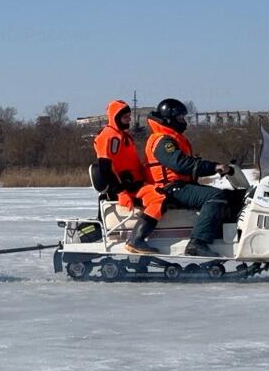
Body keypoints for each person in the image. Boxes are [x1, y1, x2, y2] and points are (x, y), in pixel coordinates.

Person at [138, 98, 237, 257]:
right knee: (215, 196)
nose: (183, 122)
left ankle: (221, 233)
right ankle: (198, 243)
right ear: (169, 118)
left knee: (231, 196)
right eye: (180, 118)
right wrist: (213, 167)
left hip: (180, 185)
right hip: (170, 188)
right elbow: (180, 164)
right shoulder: (162, 140)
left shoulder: (171, 137)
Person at [92, 100, 157, 253]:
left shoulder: (123, 136)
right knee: (159, 198)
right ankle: (137, 240)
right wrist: (120, 192)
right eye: (125, 117)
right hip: (127, 188)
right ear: (115, 117)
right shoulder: (110, 136)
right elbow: (105, 168)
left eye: (129, 116)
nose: (129, 119)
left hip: (135, 184)